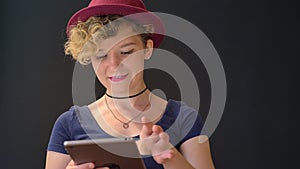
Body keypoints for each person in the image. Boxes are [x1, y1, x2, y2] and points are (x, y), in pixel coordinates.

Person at [45, 0, 215, 169]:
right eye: (101, 55)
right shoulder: (69, 124)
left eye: (126, 52)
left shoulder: (184, 119)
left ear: (147, 49)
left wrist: (168, 156)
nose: (114, 65)